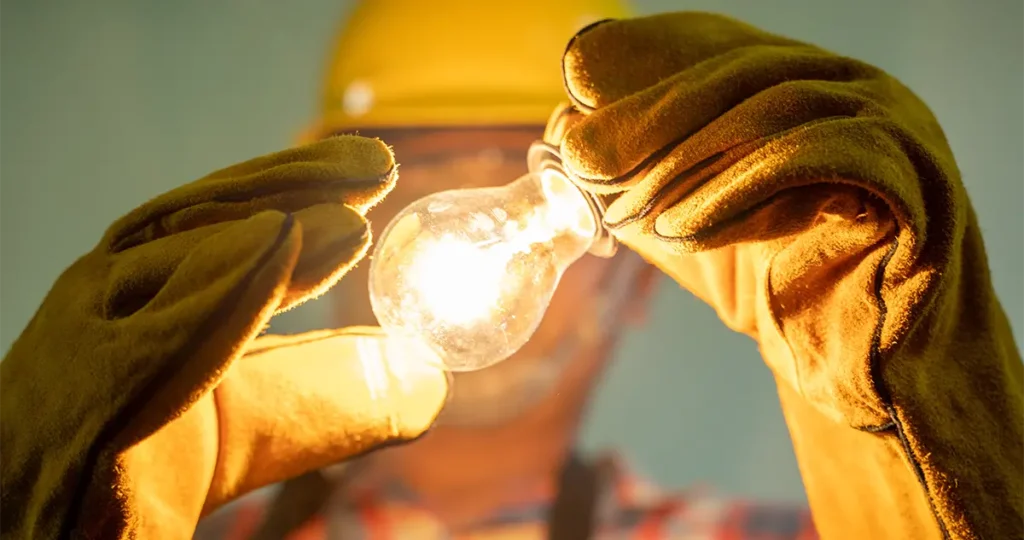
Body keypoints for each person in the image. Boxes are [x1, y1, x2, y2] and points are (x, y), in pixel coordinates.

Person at [1, 1, 1021, 540]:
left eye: (528, 186)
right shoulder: (156, 523)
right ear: (338, 244)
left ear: (640, 276)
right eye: (430, 184)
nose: (499, 239)